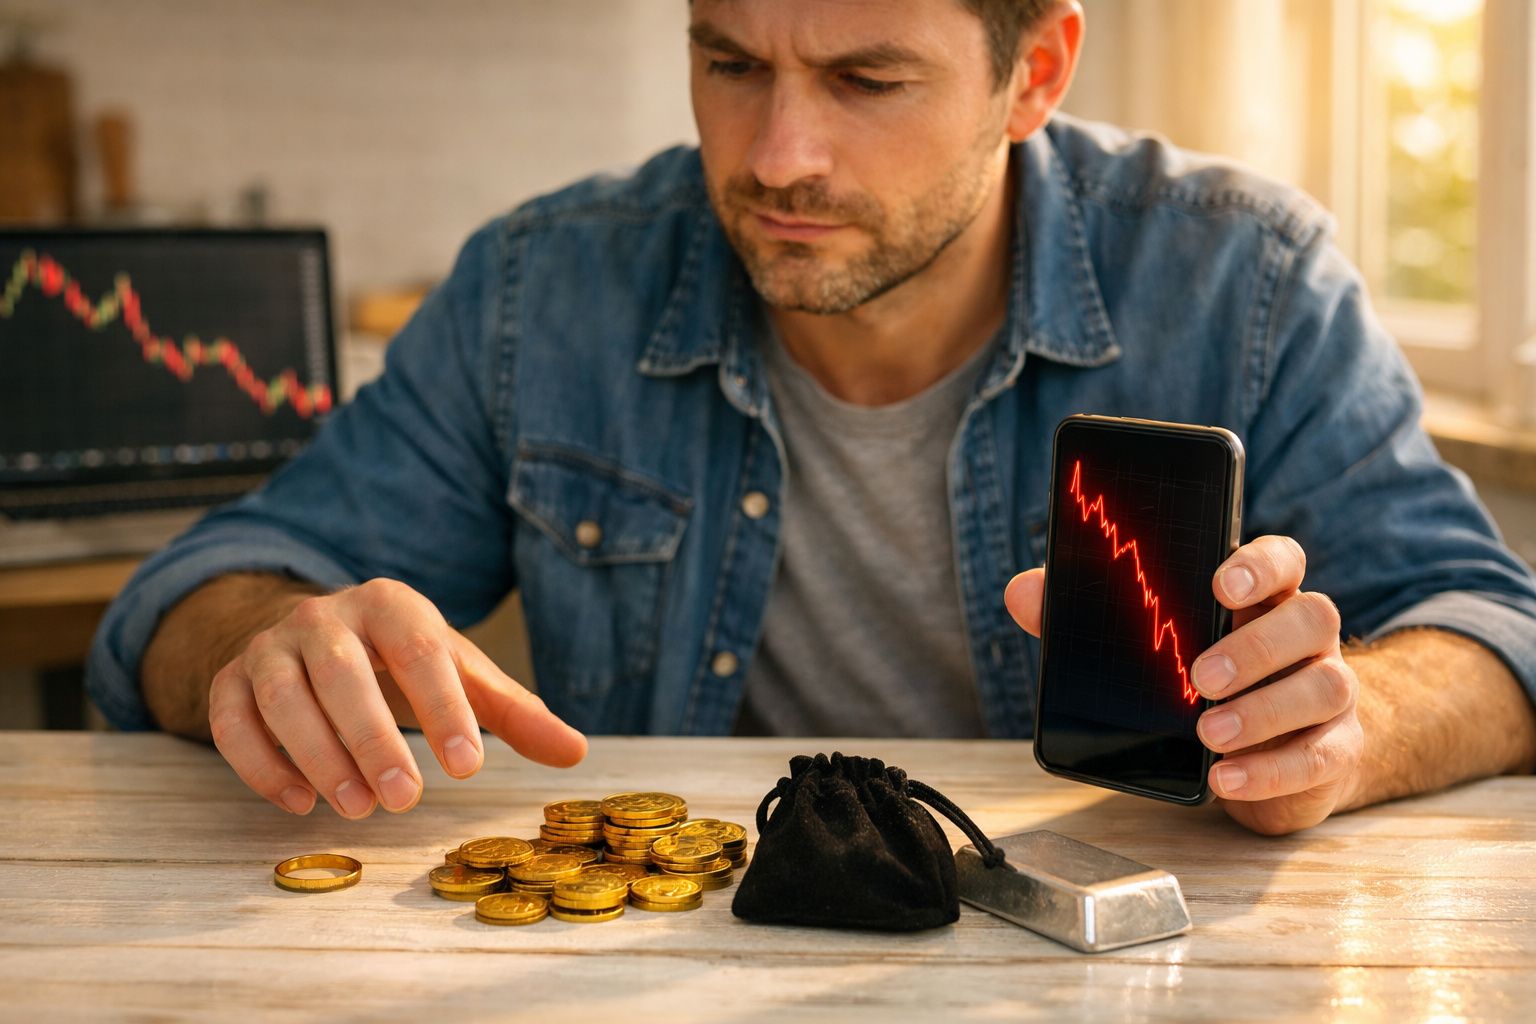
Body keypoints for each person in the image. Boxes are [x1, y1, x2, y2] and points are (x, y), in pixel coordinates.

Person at [87, 0, 1536, 837]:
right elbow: (202, 590)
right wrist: (257, 643)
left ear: (1033, 71)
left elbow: (1491, 628)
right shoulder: (545, 284)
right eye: (731, 62)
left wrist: (1350, 729)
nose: (780, 156)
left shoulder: (1245, 275)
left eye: (864, 80)